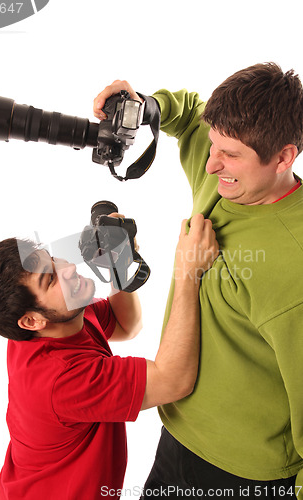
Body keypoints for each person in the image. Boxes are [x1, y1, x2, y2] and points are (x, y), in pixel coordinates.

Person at [93, 63, 303, 499]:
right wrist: (146, 106)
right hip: (178, 437)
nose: (210, 165)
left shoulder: (294, 265)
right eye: (213, 146)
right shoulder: (226, 177)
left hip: (248, 474)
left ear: (284, 157)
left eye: (231, 155)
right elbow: (189, 113)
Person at [0, 211, 218, 500]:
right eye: (50, 279)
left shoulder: (54, 321)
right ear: (31, 321)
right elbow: (174, 381)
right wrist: (189, 272)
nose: (68, 268)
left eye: (52, 258)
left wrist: (118, 261)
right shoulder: (62, 380)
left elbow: (126, 324)